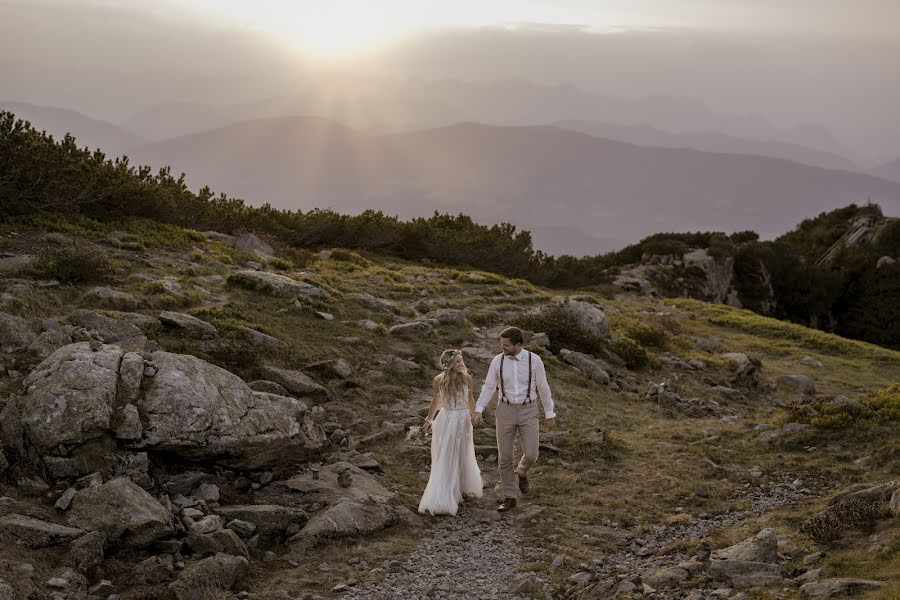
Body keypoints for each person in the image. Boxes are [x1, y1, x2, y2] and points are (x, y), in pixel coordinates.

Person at [473, 327, 555, 512]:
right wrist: (478, 410)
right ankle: (510, 496)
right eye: (501, 344)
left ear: (518, 344)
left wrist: (550, 413)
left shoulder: (535, 360)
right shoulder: (497, 361)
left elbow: (543, 387)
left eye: (506, 345)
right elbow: (488, 387)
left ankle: (522, 471)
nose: (503, 347)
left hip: (528, 410)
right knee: (505, 457)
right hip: (505, 410)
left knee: (533, 453)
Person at [418, 349, 484, 515]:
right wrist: (428, 420)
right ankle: (444, 494)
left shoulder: (467, 378)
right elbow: (435, 402)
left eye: (461, 361)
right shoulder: (438, 380)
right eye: (457, 362)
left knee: (462, 453)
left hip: (463, 421)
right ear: (449, 365)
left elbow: (470, 400)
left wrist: (475, 414)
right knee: (446, 455)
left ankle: (459, 488)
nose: (461, 364)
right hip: (446, 420)